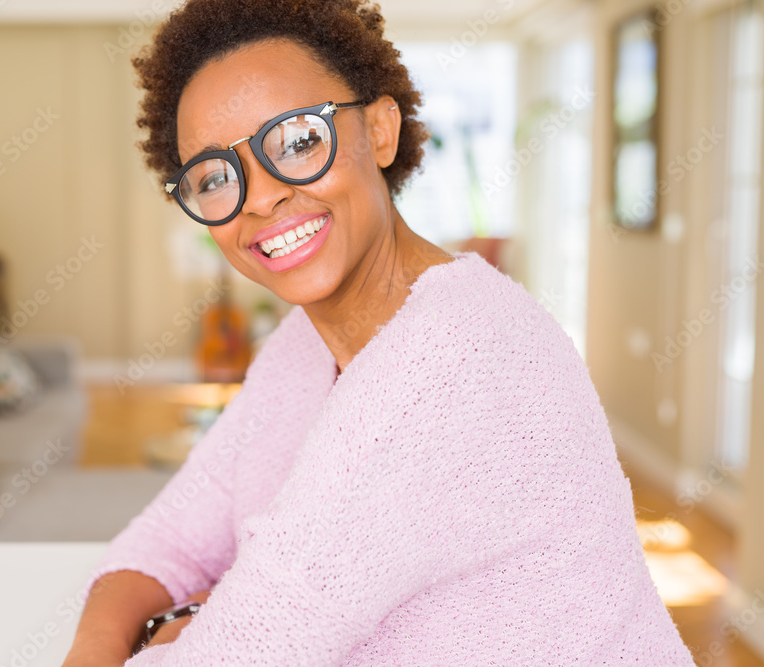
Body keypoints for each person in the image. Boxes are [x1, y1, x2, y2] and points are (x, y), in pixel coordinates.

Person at [62, 1, 697, 665]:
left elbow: (245, 647)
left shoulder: (454, 357)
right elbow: (169, 538)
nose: (259, 197)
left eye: (299, 141)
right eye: (217, 176)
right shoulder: (299, 348)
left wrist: (185, 628)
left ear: (381, 130)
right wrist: (99, 646)